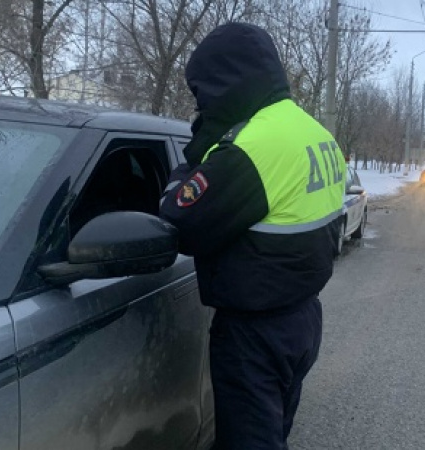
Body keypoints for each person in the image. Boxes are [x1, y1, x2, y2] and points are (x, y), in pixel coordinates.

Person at [159, 22, 346, 449]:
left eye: (202, 89)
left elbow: (182, 221)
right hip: (303, 319)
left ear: (227, 81)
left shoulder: (251, 147)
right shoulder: (314, 133)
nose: (201, 102)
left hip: (254, 335)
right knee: (272, 430)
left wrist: (187, 166)